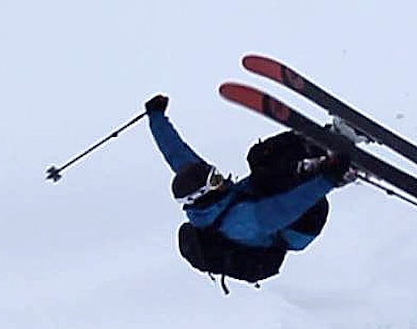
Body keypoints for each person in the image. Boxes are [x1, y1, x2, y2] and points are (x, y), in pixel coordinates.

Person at [145, 93, 354, 291]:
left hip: (269, 201)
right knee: (271, 177)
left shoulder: (209, 197)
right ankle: (334, 169)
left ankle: (326, 143)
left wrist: (156, 115)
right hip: (301, 224)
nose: (223, 180)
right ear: (204, 194)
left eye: (216, 175)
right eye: (215, 180)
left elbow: (176, 154)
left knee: (259, 157)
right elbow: (288, 207)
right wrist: (329, 178)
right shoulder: (240, 222)